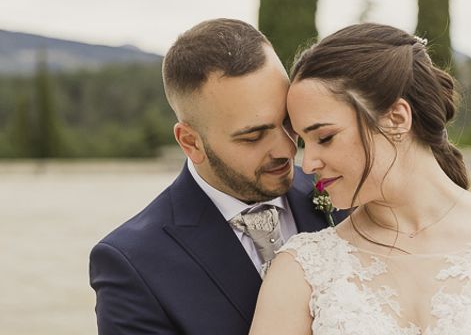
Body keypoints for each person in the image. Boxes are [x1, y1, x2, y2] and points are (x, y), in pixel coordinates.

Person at [249, 23, 471, 335]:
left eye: (324, 138)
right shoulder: (302, 270)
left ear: (397, 118)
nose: (307, 164)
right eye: (302, 143)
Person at [89, 19, 341, 334]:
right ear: (191, 143)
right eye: (253, 136)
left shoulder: (343, 195)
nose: (287, 149)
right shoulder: (132, 263)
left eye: (288, 121)